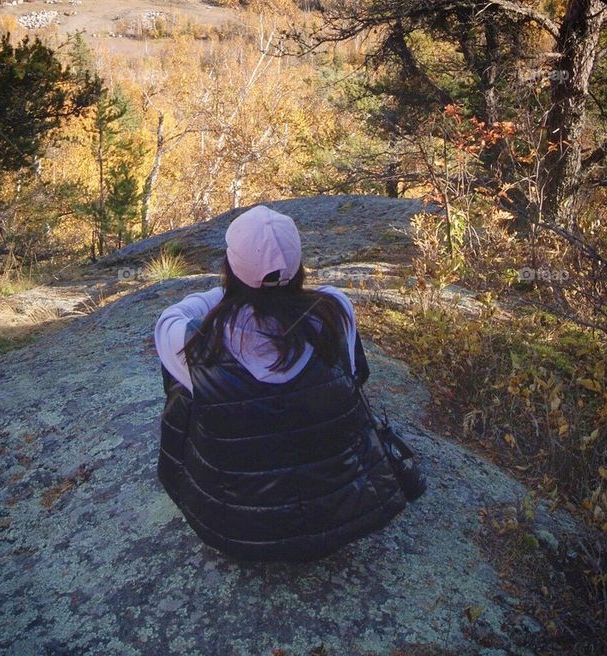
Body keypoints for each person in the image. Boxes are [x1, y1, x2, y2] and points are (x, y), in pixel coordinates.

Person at [154, 203, 418, 563]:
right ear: (299, 269)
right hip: (343, 515)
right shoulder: (336, 311)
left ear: (229, 270)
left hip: (237, 531)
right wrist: (275, 288)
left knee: (187, 392)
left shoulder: (189, 341)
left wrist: (237, 294)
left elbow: (173, 314)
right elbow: (359, 374)